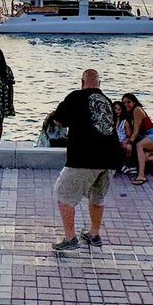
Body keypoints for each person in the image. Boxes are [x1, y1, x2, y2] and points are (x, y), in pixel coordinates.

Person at [51, 69, 123, 252]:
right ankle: (94, 233)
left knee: (63, 194)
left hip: (85, 157)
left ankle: (70, 238)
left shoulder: (75, 96)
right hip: (111, 158)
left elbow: (59, 121)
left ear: (82, 82)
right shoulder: (107, 101)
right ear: (99, 83)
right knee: (97, 196)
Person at [121, 92, 153, 183]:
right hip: (145, 137)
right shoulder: (129, 114)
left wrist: (130, 143)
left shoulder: (137, 110)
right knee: (144, 158)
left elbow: (136, 131)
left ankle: (141, 176)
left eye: (128, 102)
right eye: (124, 103)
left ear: (134, 102)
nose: (126, 105)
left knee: (139, 146)